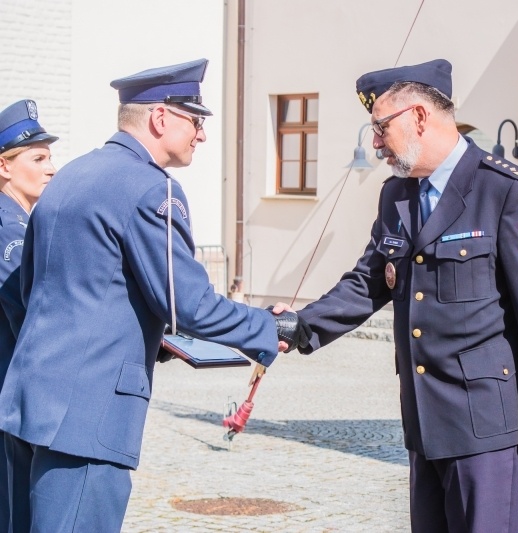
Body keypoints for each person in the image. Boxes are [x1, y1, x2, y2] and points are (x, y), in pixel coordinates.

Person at [278, 59, 518, 532]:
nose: (375, 142)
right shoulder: (397, 195)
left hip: (487, 425)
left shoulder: (503, 189)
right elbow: (370, 280)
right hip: (426, 420)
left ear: (418, 117)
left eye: (380, 127)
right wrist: (301, 326)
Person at [0, 59, 305, 532]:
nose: (201, 135)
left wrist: (148, 337)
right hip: (88, 416)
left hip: (29, 402)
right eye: (196, 120)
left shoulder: (71, 177)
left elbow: (41, 291)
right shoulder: (151, 187)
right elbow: (190, 304)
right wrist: (269, 326)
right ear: (162, 118)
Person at [0, 99, 58, 533]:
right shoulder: (9, 232)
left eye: (50, 157)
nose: (51, 168)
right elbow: (33, 320)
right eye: (38, 158)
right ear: (4, 166)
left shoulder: (23, 222)